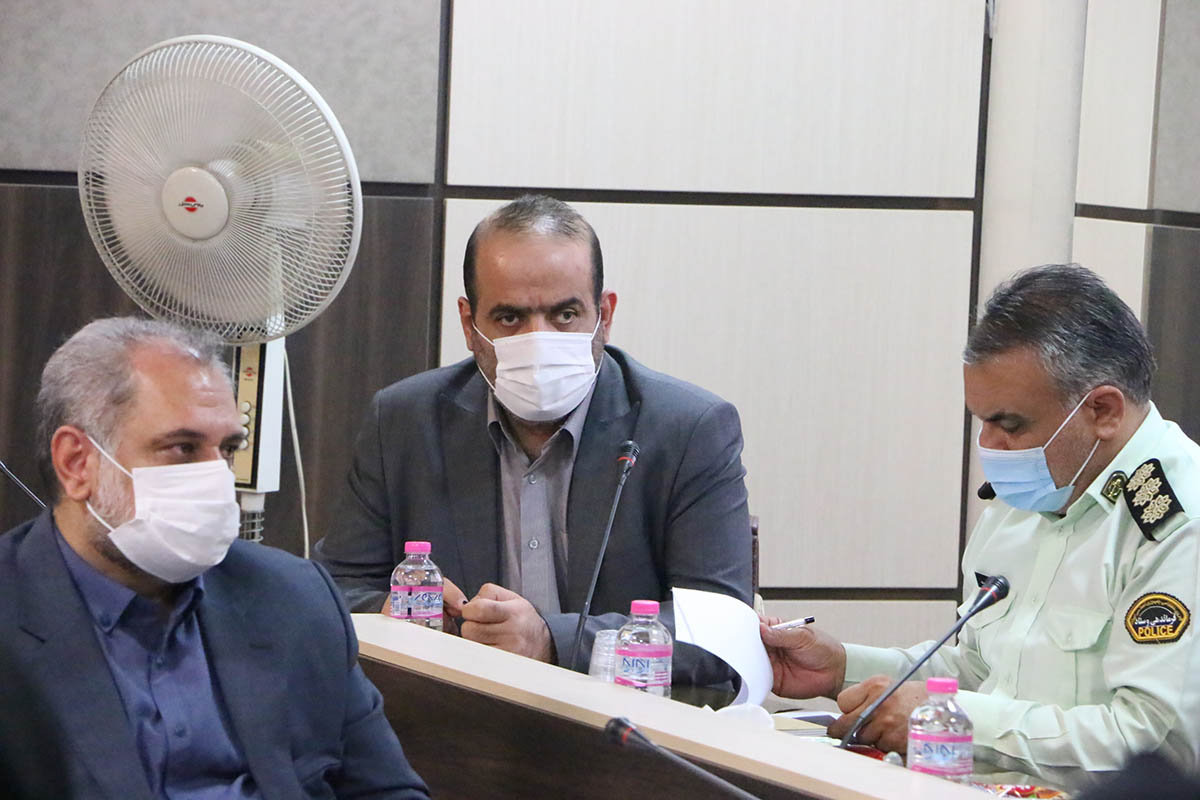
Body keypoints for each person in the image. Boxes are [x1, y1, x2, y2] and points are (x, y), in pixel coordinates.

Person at [761, 264, 1200, 789]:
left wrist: (959, 723)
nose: (989, 445)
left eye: (1008, 423)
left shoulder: (1179, 523)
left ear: (1102, 410)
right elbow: (981, 671)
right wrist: (841, 669)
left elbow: (1157, 748)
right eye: (982, 420)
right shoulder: (1035, 491)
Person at [315, 194, 751, 682]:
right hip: (454, 714)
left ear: (604, 315)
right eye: (510, 318)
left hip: (621, 721)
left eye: (565, 315)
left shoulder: (690, 429)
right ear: (469, 324)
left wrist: (551, 640)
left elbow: (720, 631)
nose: (539, 340)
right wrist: (398, 613)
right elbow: (334, 592)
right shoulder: (403, 422)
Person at [0, 317, 429, 799]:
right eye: (182, 448)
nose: (217, 478)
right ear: (77, 463)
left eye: (226, 449)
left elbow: (386, 790)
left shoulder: (296, 598)